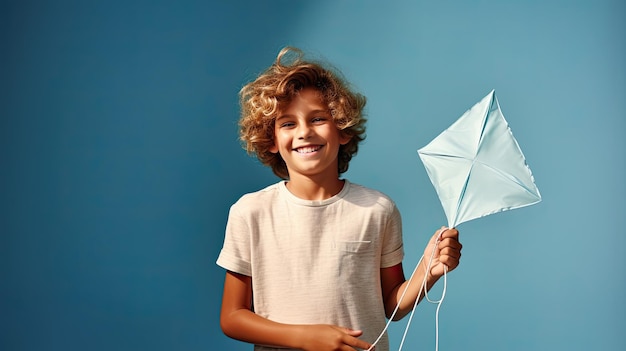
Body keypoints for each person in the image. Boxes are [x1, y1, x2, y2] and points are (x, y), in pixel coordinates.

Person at [217, 47, 462, 351]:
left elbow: (391, 306)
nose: (304, 132)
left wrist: (429, 267)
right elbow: (232, 317)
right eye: (288, 123)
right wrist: (305, 337)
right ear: (271, 140)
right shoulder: (250, 213)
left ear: (342, 129)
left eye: (318, 118)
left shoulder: (378, 210)